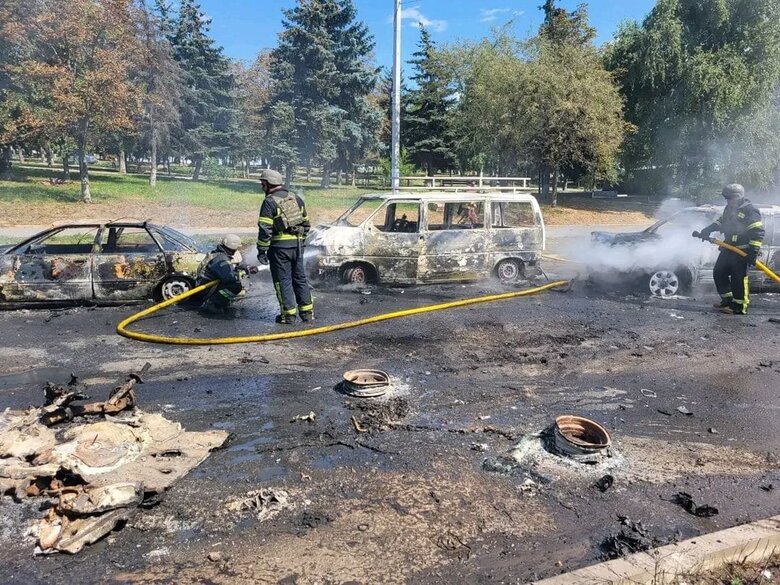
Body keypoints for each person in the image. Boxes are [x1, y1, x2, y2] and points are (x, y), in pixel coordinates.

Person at [694, 183, 765, 315]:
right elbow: (721, 222)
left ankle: (740, 307)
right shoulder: (729, 208)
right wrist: (708, 229)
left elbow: (757, 231)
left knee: (739, 279)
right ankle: (728, 300)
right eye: (726, 198)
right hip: (728, 248)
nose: (727, 200)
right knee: (718, 273)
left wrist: (753, 251)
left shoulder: (750, 210)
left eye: (729, 198)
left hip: (742, 251)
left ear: (738, 197)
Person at [256, 169, 314, 324]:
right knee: (300, 279)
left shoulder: (269, 202)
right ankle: (307, 313)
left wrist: (262, 250)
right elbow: (306, 224)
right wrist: (299, 243)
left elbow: (265, 229)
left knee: (283, 281)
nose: (262, 187)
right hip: (297, 247)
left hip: (279, 249)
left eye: (263, 184)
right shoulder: (296, 199)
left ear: (268, 184)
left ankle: (288, 316)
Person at [196, 234, 246, 315]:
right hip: (206, 290)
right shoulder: (221, 259)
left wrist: (238, 268)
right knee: (235, 286)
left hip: (205, 285)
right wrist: (241, 273)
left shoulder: (218, 254)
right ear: (233, 248)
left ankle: (217, 300)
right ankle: (212, 303)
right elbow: (229, 278)